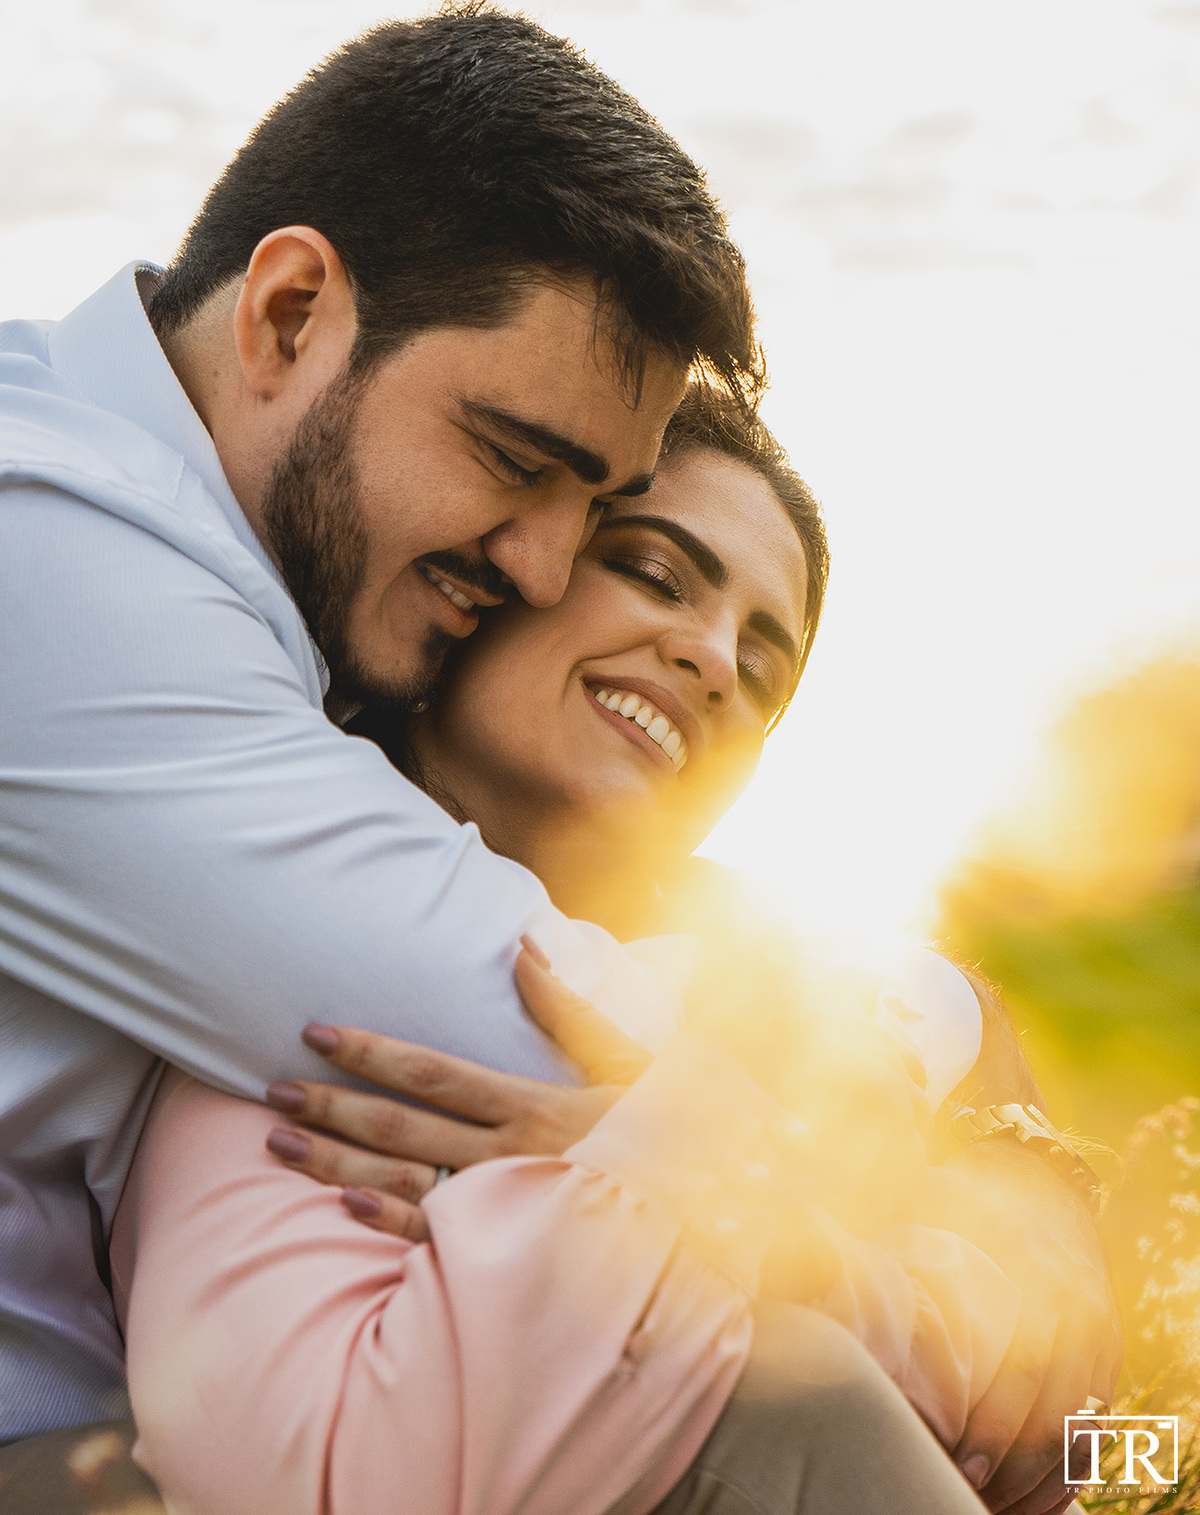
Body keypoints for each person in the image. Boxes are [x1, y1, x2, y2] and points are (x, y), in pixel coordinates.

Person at [0, 5, 1115, 1511]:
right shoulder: (54, 558)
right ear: (286, 312)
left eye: (587, 510)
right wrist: (912, 1106)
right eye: (519, 464)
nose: (534, 566)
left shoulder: (276, 609)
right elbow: (519, 1021)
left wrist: (993, 1134)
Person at [106, 392, 1104, 1515]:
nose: (716, 659)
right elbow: (320, 1473)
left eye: (764, 671)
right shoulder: (315, 955)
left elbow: (1092, 1457)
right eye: (654, 571)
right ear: (493, 580)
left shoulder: (754, 1004)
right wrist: (696, 1181)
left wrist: (1026, 1176)